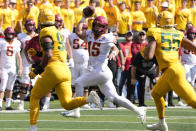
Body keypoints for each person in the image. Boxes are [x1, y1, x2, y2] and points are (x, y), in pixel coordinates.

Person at [28, 10, 102, 131]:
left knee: (34, 96)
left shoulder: (45, 31)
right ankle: (88, 99)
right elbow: (52, 51)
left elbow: (49, 55)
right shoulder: (57, 32)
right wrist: (38, 53)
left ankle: (33, 128)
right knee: (67, 103)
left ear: (41, 19)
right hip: (65, 69)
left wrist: (36, 71)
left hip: (53, 69)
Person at [70, 11, 146, 124]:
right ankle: (139, 110)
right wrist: (83, 18)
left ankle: (76, 111)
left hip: (100, 70)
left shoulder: (107, 37)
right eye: (96, 25)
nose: (97, 28)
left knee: (78, 83)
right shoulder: (90, 33)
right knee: (115, 98)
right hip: (101, 72)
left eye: (100, 26)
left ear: (104, 27)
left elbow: (115, 48)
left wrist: (113, 54)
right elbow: (78, 32)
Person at [144, 11, 196, 131]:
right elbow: (193, 47)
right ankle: (161, 122)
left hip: (173, 72)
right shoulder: (177, 33)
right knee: (156, 94)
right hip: (172, 70)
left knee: (193, 101)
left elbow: (149, 56)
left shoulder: (154, 32)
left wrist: (148, 46)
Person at [17, 19, 37, 110]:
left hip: (36, 63)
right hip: (25, 63)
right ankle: (21, 103)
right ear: (25, 26)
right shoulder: (21, 36)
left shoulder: (38, 36)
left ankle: (36, 103)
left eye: (32, 25)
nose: (30, 27)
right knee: (24, 84)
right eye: (28, 25)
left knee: (37, 84)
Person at [0, 27, 22, 111]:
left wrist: (20, 68)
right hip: (3, 68)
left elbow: (19, 57)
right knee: (2, 87)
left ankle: (8, 105)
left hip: (12, 68)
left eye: (12, 34)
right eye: (9, 34)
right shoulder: (1, 42)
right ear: (5, 34)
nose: (10, 35)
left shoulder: (16, 43)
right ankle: (0, 104)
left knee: (10, 88)